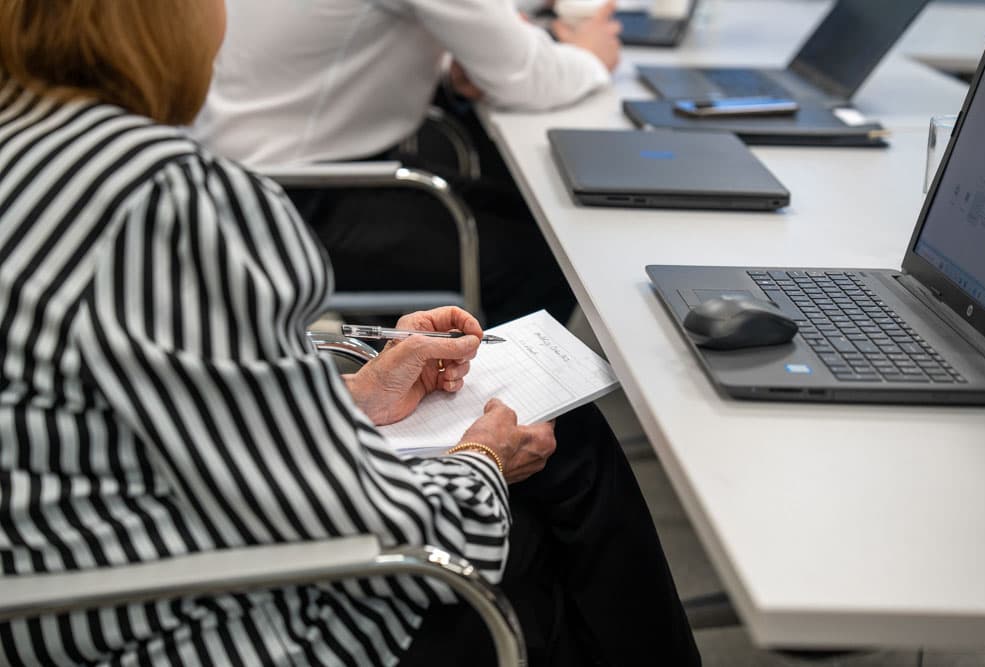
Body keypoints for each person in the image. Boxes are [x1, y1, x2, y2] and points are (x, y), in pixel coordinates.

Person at [0, 2, 699, 665]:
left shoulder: (30, 149)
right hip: (188, 620)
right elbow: (376, 524)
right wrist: (481, 460)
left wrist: (355, 393)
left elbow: (139, 397)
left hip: (66, 592)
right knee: (562, 461)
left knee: (555, 451)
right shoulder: (166, 199)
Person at [192, 0, 623, 327]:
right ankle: (498, 431)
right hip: (287, 200)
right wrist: (590, 55)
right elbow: (530, 77)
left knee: (531, 221)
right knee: (545, 256)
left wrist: (465, 65)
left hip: (252, 174)